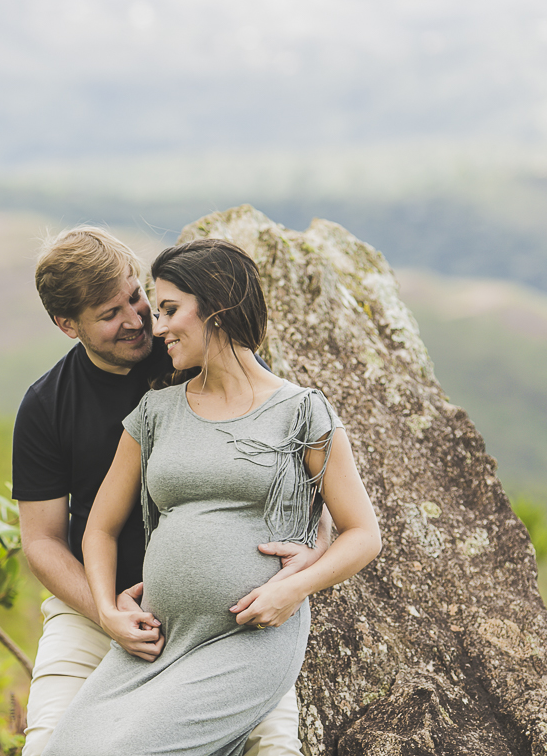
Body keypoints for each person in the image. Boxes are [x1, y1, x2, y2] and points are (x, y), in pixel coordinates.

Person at [41, 238, 382, 756]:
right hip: (156, 643)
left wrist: (295, 588)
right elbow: (98, 528)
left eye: (170, 310)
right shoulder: (155, 412)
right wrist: (108, 609)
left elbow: (364, 533)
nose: (156, 328)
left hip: (244, 642)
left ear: (218, 306)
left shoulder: (302, 412)